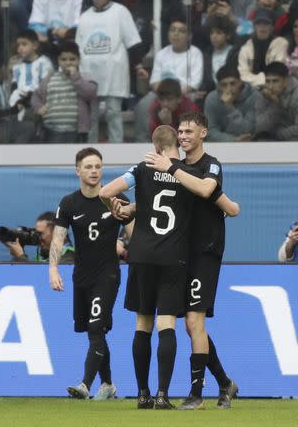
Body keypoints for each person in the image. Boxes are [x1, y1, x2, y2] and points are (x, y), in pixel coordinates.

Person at [100, 125, 238, 410]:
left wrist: (119, 206)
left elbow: (106, 191)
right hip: (174, 258)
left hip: (142, 255)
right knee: (169, 324)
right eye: (182, 133)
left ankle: (143, 395)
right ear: (177, 141)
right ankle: (164, 395)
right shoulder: (189, 175)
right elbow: (223, 204)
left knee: (144, 324)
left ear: (155, 144)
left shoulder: (143, 168)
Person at [143, 112, 240, 409]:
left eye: (189, 131)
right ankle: (225, 383)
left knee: (193, 321)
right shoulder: (178, 167)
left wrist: (171, 167)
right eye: (181, 131)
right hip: (178, 253)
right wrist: (132, 209)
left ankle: (196, 393)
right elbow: (162, 203)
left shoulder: (209, 164)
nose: (183, 136)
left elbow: (206, 189)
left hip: (205, 252)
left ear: (204, 134)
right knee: (190, 325)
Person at [50, 147, 132, 401]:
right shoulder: (69, 203)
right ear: (78, 171)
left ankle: (85, 385)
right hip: (81, 276)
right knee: (94, 332)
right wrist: (53, 269)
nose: (94, 171)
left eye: (98, 166)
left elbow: (136, 235)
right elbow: (58, 239)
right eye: (88, 167)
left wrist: (127, 248)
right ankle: (107, 384)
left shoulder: (117, 199)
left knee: (96, 326)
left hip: (108, 275)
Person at [75, 0, 142, 143]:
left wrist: (139, 66)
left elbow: (132, 41)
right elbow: (77, 47)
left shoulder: (120, 12)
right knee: (92, 116)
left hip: (113, 72)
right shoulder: (84, 17)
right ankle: (90, 152)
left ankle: (116, 150)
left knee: (113, 113)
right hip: (89, 74)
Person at [31, 40, 97, 143]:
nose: (68, 63)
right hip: (51, 129)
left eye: (72, 59)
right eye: (63, 59)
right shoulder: (50, 77)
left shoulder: (84, 77)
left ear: (79, 60)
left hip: (75, 131)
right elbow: (36, 95)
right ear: (58, 60)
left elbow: (91, 94)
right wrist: (38, 107)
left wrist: (75, 77)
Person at [204, 66, 259, 142]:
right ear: (218, 86)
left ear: (240, 82)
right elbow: (210, 131)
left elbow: (249, 130)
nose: (229, 89)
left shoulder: (254, 96)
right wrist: (233, 140)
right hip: (222, 145)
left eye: (233, 83)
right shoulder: (212, 99)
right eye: (224, 85)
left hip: (252, 143)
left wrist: (230, 107)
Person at [238, 8, 289, 88]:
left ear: (272, 27)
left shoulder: (281, 43)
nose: (262, 27)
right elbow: (243, 75)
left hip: (275, 88)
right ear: (254, 27)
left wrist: (257, 80)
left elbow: (277, 72)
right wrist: (262, 81)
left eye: (266, 23)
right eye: (259, 23)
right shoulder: (245, 48)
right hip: (253, 89)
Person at [4, 211, 70, 263]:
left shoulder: (69, 258)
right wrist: (17, 255)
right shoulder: (45, 256)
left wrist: (21, 256)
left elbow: (39, 277)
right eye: (36, 233)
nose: (38, 237)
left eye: (40, 233)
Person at [255, 62, 298, 141]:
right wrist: (274, 105)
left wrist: (277, 134)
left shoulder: (296, 94)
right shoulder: (265, 94)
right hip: (273, 137)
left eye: (275, 81)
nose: (270, 87)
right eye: (268, 81)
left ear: (285, 81)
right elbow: (258, 127)